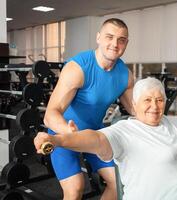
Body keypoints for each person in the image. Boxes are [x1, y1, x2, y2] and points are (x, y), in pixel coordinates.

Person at [36, 77, 177, 200]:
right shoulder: (124, 131)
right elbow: (95, 139)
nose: (154, 106)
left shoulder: (172, 123)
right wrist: (57, 141)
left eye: (159, 100)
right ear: (134, 104)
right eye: (147, 100)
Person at [43, 18, 133, 200]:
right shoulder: (78, 68)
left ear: (126, 43)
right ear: (98, 38)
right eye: (110, 37)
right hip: (65, 133)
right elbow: (50, 114)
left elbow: (136, 110)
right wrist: (67, 131)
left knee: (119, 182)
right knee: (75, 189)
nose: (115, 44)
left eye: (121, 40)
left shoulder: (126, 75)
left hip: (95, 134)